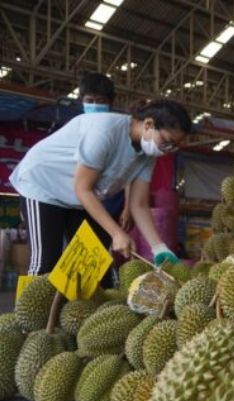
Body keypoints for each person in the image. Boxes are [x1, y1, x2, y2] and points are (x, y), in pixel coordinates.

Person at [10, 99, 188, 276]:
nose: (168, 149)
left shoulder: (148, 154)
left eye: (174, 146)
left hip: (75, 197)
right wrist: (117, 233)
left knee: (90, 262)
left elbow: (139, 204)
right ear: (148, 124)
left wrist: (159, 247)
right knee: (45, 262)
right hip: (43, 184)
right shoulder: (106, 131)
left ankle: (67, 304)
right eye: (166, 141)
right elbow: (83, 188)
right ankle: (31, 303)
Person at [79, 72, 133, 235]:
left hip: (111, 202)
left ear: (111, 102)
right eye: (89, 101)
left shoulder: (121, 131)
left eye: (100, 101)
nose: (94, 105)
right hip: (80, 200)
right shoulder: (77, 127)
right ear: (81, 101)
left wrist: (127, 208)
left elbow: (129, 175)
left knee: (103, 247)